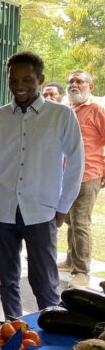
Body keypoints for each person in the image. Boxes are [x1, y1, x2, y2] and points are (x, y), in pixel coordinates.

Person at [0, 51, 84, 320]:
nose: (19, 86)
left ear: (41, 79)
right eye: (13, 80)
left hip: (42, 210)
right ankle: (15, 327)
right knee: (8, 281)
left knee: (45, 283)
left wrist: (62, 207)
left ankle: (50, 330)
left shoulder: (61, 116)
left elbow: (75, 163)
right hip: (3, 211)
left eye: (27, 79)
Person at [59, 70, 105, 288]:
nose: (74, 85)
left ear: (90, 86)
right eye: (71, 82)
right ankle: (70, 260)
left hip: (89, 174)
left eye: (79, 81)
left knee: (80, 221)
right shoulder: (69, 110)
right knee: (68, 218)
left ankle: (82, 272)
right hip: (66, 176)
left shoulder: (96, 109)